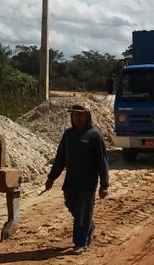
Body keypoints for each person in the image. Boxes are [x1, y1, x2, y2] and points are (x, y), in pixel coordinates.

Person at [44, 104, 109, 254]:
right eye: (74, 115)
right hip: (71, 181)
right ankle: (89, 226)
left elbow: (102, 162)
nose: (76, 117)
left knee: (82, 213)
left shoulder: (94, 135)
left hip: (88, 182)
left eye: (80, 114)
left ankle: (81, 243)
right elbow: (60, 158)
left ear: (87, 116)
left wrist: (104, 184)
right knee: (71, 204)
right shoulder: (68, 134)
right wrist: (51, 177)